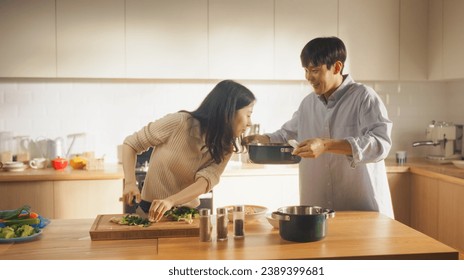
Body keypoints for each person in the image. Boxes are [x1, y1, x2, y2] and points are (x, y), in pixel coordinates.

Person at [245, 37, 394, 218]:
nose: (308, 77)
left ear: (337, 67)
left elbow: (381, 144)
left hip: (362, 208)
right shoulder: (308, 104)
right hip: (318, 211)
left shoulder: (364, 97)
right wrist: (260, 140)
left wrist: (327, 145)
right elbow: (286, 135)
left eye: (315, 70)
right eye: (306, 70)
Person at [122, 80, 256, 222]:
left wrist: (171, 201)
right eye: (248, 115)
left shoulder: (225, 147)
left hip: (188, 216)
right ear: (228, 111)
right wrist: (130, 183)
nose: (250, 123)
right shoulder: (179, 122)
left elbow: (205, 182)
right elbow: (131, 144)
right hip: (149, 212)